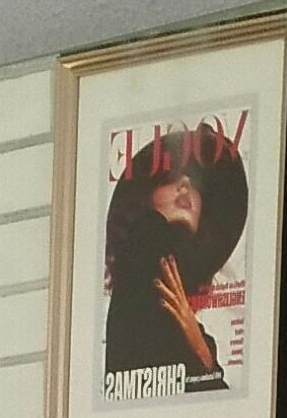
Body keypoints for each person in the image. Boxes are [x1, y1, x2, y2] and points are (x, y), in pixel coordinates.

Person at [101, 120, 248, 393]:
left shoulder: (196, 330)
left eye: (198, 186)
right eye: (168, 178)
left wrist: (201, 349)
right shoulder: (145, 237)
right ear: (145, 196)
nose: (185, 183)